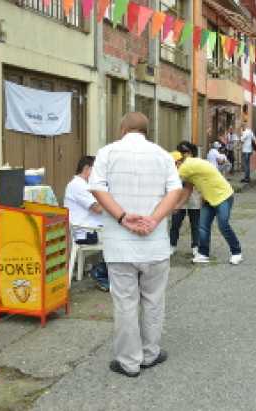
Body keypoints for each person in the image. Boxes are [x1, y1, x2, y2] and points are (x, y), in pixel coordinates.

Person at [89, 112, 182, 377]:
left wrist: (121, 216)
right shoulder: (163, 155)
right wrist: (153, 220)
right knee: (154, 301)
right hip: (155, 246)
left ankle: (129, 362)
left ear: (122, 128)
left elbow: (97, 187)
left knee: (125, 303)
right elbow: (174, 191)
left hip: (120, 247)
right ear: (146, 131)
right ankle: (150, 354)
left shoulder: (107, 152)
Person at [171, 150, 243, 265]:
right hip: (209, 199)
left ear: (177, 163)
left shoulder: (186, 167)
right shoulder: (189, 167)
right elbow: (188, 189)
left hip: (223, 196)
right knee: (203, 226)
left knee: (223, 225)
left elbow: (171, 182)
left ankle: (236, 252)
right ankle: (203, 253)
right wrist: (178, 206)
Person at [64, 156, 108, 291]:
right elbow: (98, 208)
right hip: (86, 232)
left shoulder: (85, 185)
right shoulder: (78, 186)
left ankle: (106, 274)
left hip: (93, 228)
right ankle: (100, 274)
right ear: (87, 169)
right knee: (120, 238)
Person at [170, 141, 201, 258]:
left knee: (195, 224)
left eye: (186, 152)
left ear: (192, 152)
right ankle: (172, 245)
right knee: (175, 223)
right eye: (182, 152)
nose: (184, 154)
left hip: (194, 198)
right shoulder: (175, 163)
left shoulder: (195, 164)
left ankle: (196, 246)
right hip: (179, 199)